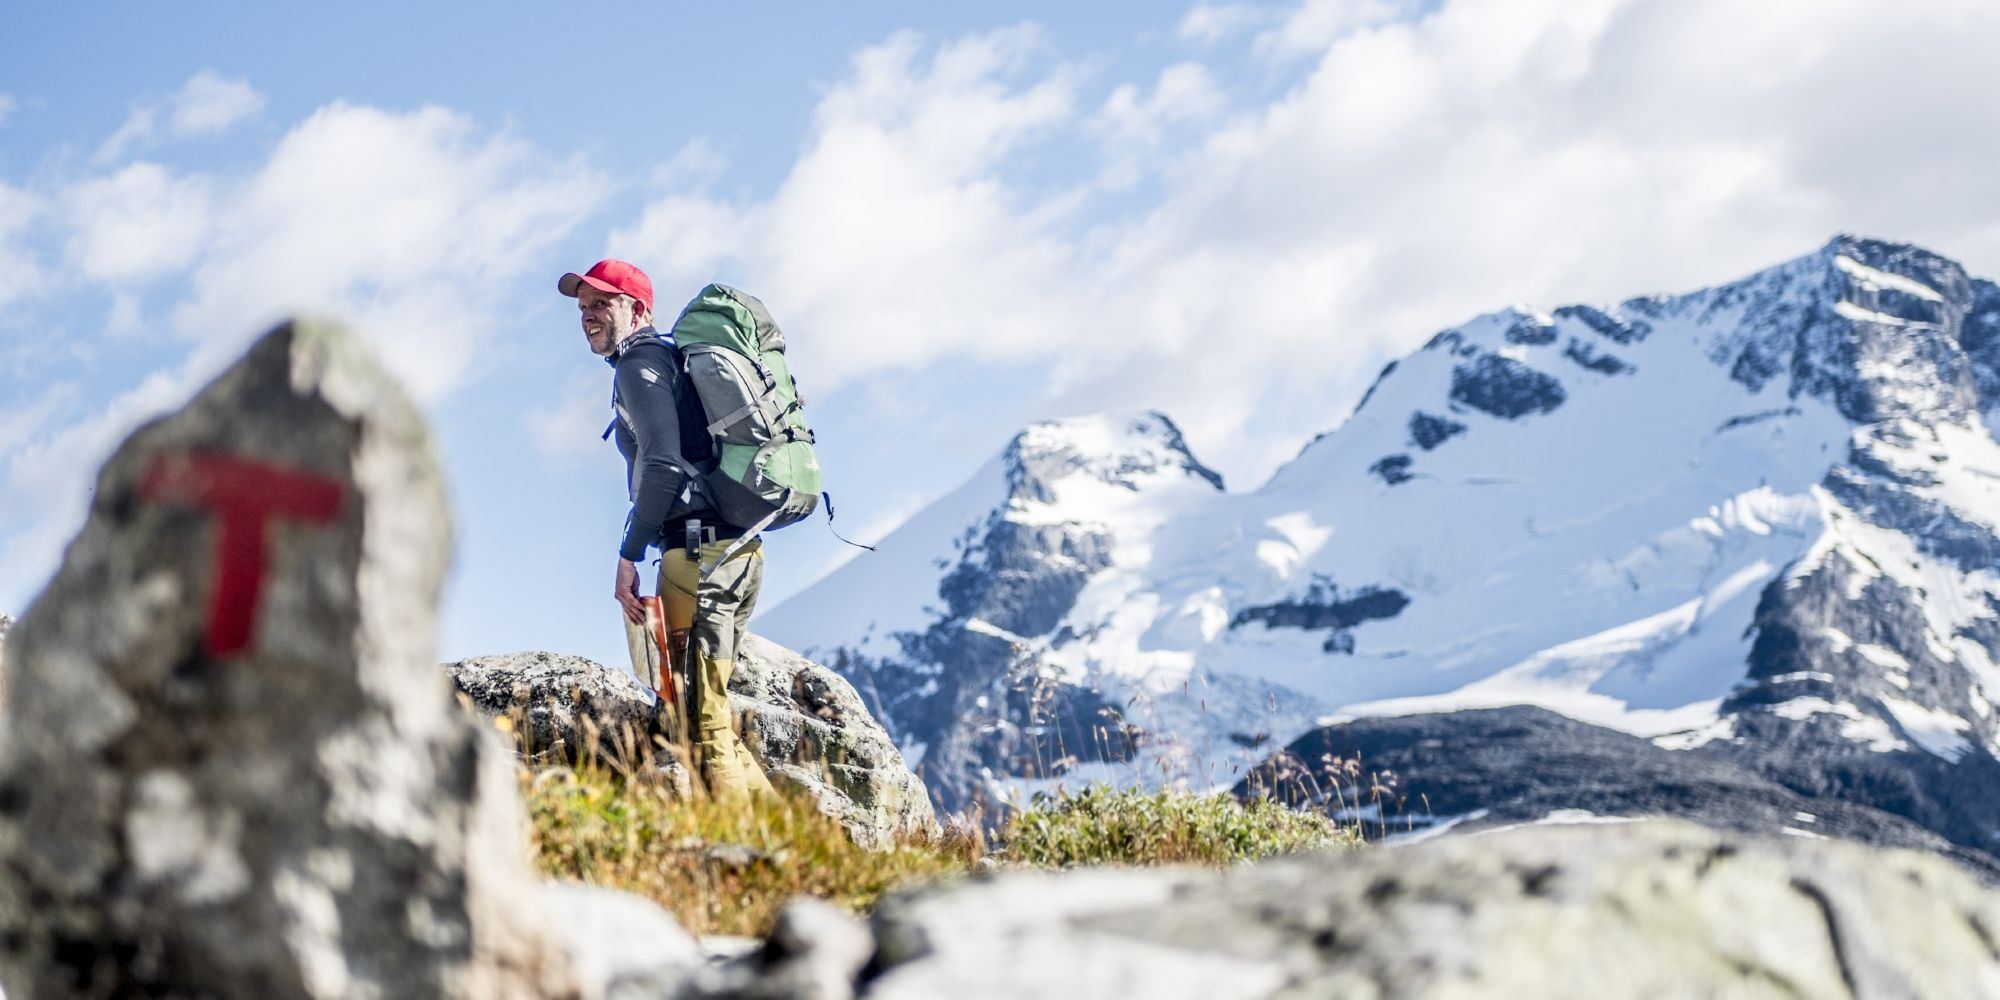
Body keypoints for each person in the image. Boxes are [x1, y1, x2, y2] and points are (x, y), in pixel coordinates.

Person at [559, 258, 776, 800]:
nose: (588, 315)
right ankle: (794, 837)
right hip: (733, 552)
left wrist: (628, 554)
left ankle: (754, 864)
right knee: (706, 714)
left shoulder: (640, 364)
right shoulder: (667, 363)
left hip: (698, 555)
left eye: (602, 303)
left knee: (696, 724)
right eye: (583, 306)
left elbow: (662, 465)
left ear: (639, 310)